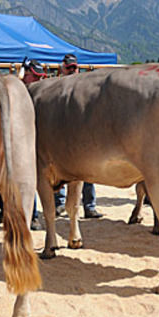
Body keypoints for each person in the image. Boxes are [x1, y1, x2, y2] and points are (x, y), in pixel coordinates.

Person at [0, 59, 47, 230]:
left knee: (27, 178)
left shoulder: (35, 91)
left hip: (27, 139)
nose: (37, 80)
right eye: (34, 76)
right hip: (10, 135)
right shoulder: (17, 89)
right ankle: (4, 211)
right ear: (26, 74)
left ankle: (33, 216)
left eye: (38, 77)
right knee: (5, 175)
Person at [55, 54, 103, 219]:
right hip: (62, 136)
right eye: (69, 67)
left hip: (83, 137)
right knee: (61, 173)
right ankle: (60, 204)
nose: (72, 70)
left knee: (87, 174)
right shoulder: (56, 87)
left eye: (74, 67)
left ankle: (89, 206)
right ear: (63, 68)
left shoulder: (85, 85)